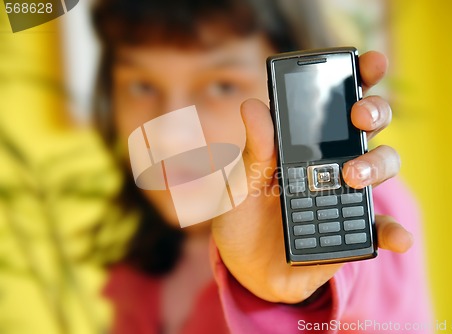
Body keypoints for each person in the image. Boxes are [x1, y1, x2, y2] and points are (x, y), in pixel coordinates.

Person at [91, 0, 432, 333]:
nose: (169, 137)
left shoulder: (369, 199)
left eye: (222, 86)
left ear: (294, 92)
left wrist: (297, 296)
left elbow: (363, 287)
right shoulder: (143, 258)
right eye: (142, 86)